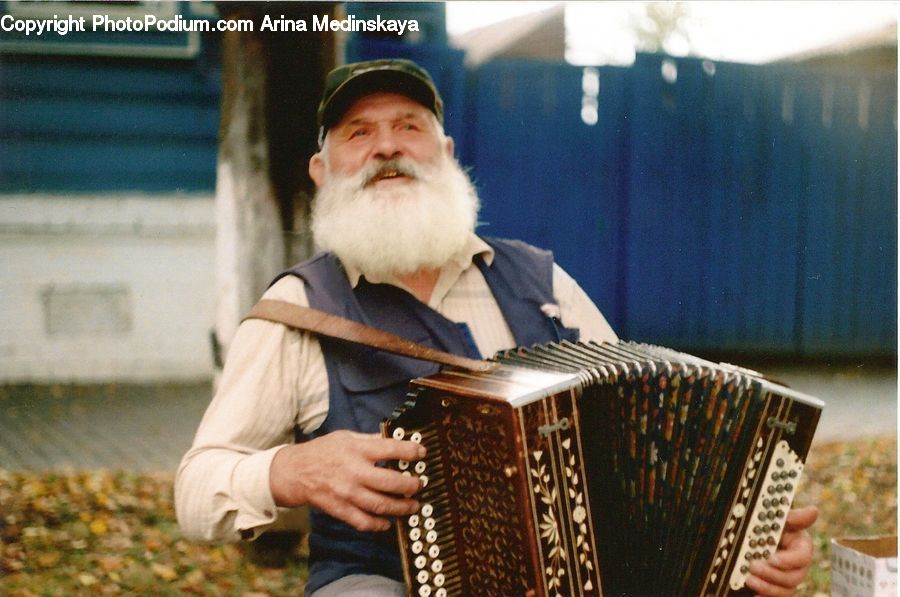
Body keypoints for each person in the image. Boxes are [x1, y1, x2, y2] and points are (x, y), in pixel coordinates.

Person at [175, 58, 818, 597]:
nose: (388, 146)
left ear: (446, 154)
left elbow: (647, 438)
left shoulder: (542, 283)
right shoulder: (296, 311)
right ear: (322, 171)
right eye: (356, 132)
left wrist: (750, 535)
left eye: (409, 126)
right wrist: (290, 471)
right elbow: (196, 489)